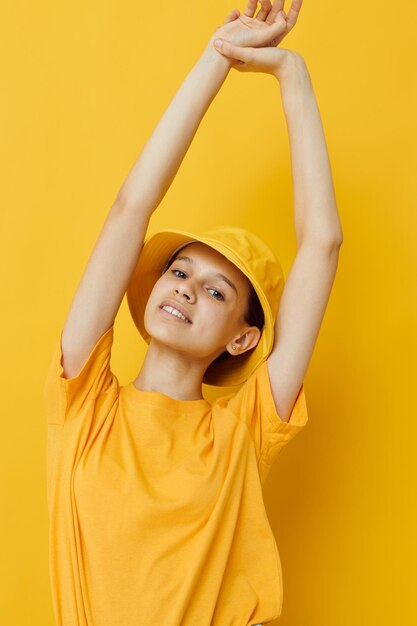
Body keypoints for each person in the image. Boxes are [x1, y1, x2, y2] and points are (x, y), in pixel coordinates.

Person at [43, 1, 343, 624]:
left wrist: (292, 74)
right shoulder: (83, 403)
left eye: (215, 291)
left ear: (242, 339)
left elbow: (323, 244)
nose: (184, 288)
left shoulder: (241, 433)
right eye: (179, 271)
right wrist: (219, 54)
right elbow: (132, 206)